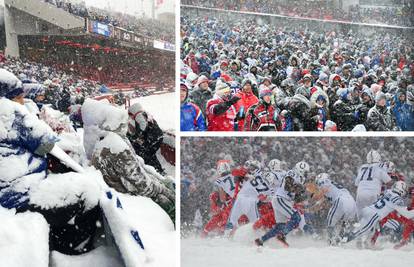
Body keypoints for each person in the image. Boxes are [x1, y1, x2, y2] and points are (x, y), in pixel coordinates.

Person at [0, 69, 102, 255]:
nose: (23, 102)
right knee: (88, 192)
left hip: (6, 195)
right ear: (8, 97)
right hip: (20, 195)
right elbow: (46, 143)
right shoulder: (11, 112)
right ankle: (73, 248)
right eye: (19, 97)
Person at [341, 181, 414, 244]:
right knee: (359, 232)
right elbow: (407, 214)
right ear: (401, 190)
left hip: (367, 209)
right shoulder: (397, 199)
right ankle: (341, 241)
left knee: (367, 230)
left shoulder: (388, 191)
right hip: (374, 215)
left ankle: (347, 237)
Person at [313, 173, 357, 245]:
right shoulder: (334, 185)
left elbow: (325, 189)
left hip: (341, 199)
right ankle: (341, 238)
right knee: (345, 222)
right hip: (352, 201)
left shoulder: (324, 182)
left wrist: (318, 200)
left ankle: (331, 240)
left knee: (330, 222)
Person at [127, 102, 165, 174]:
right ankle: (158, 170)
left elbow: (143, 125)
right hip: (158, 137)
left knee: (146, 153)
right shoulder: (145, 113)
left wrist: (136, 136)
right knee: (150, 153)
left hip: (153, 138)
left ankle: (156, 171)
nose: (131, 117)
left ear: (133, 112)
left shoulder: (139, 115)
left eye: (130, 115)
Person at [354, 150, 393, 218]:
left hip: (360, 194)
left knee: (360, 218)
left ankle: (355, 227)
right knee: (374, 217)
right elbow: (389, 182)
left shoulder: (362, 168)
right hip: (373, 194)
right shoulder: (380, 167)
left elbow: (356, 184)